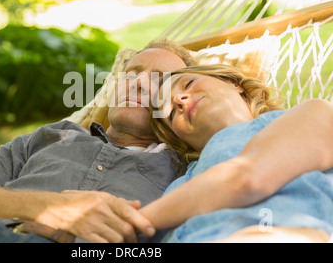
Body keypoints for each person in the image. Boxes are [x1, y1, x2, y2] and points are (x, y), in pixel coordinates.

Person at [0, 39, 194, 243]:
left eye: (159, 79)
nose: (138, 83)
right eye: (132, 73)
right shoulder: (53, 136)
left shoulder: (187, 168)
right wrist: (47, 207)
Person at [139, 64, 333, 242]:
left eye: (188, 83)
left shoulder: (310, 113)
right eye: (171, 113)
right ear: (180, 140)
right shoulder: (177, 187)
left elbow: (247, 177)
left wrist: (137, 220)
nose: (179, 99)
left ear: (234, 84)